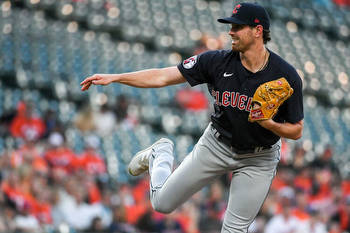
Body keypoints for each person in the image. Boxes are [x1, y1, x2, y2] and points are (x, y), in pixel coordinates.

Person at [80, 2, 304, 232]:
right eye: (231, 26)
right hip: (217, 144)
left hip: (259, 158)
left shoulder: (285, 76)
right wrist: (116, 77)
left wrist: (269, 124)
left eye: (237, 27)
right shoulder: (216, 61)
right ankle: (161, 152)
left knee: (235, 229)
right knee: (162, 203)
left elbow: (297, 130)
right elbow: (162, 77)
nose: (231, 32)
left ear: (258, 31)